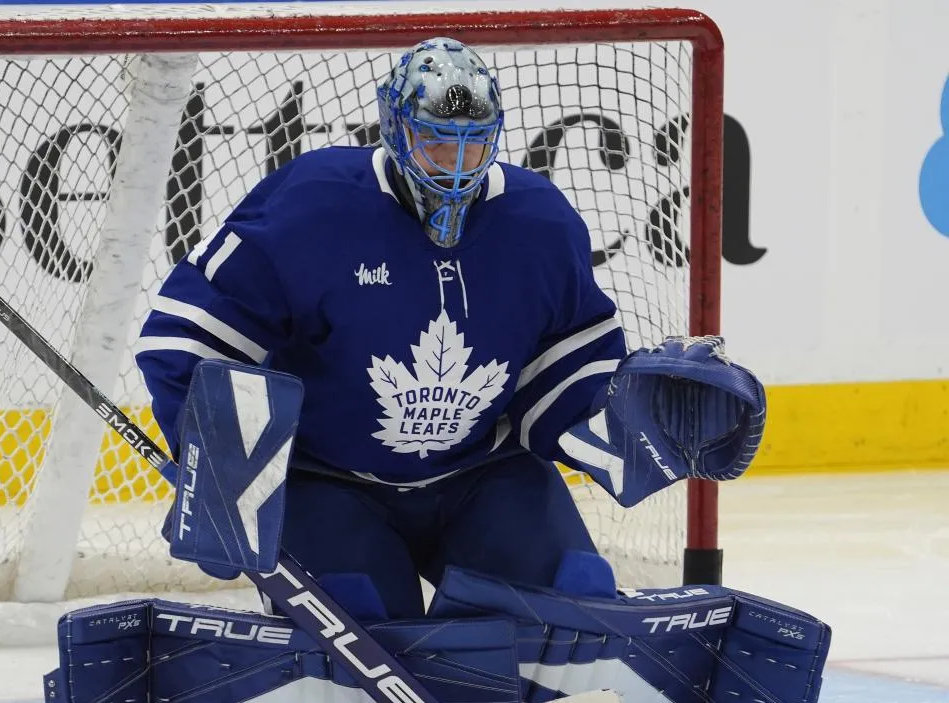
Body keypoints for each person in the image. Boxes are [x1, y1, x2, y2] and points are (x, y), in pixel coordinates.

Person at [135, 37, 757, 618]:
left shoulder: (539, 224)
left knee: (574, 602)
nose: (457, 166)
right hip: (328, 483)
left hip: (485, 478)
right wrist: (216, 473)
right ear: (395, 129)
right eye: (436, 142)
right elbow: (187, 336)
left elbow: (562, 374)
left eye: (475, 144)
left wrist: (624, 419)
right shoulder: (311, 206)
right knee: (362, 624)